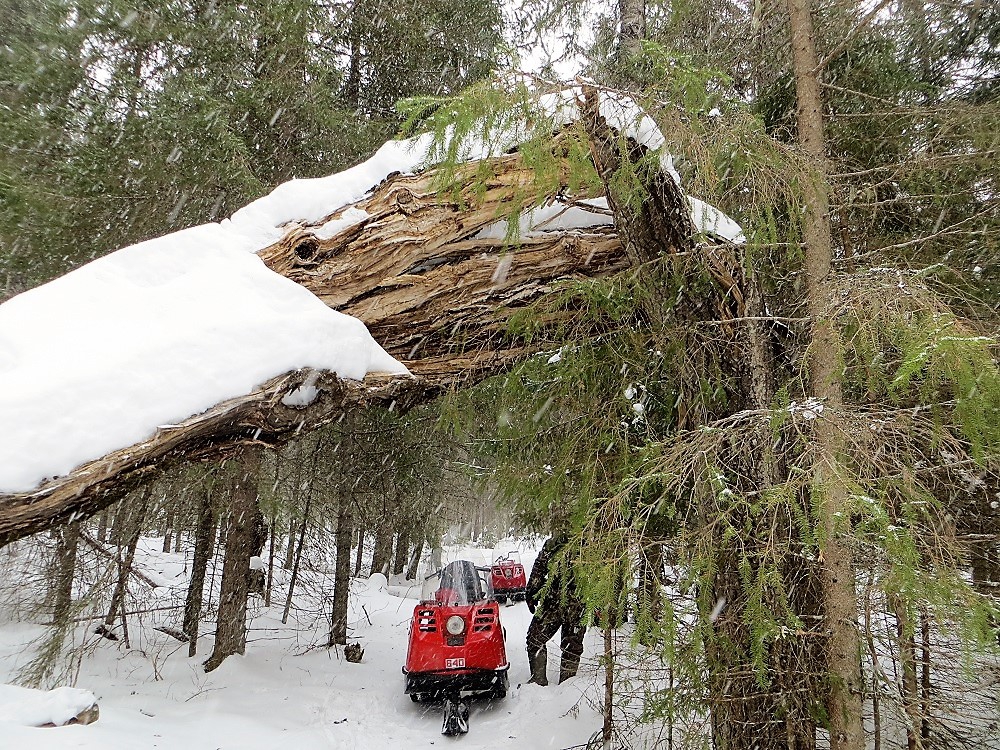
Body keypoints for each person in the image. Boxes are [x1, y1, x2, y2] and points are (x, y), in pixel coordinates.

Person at [525, 533, 586, 686]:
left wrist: (532, 592)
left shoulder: (588, 542)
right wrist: (532, 593)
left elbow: (539, 568)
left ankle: (566, 685)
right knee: (536, 638)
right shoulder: (555, 543)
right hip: (556, 601)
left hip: (571, 602)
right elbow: (539, 567)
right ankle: (541, 681)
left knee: (570, 644)